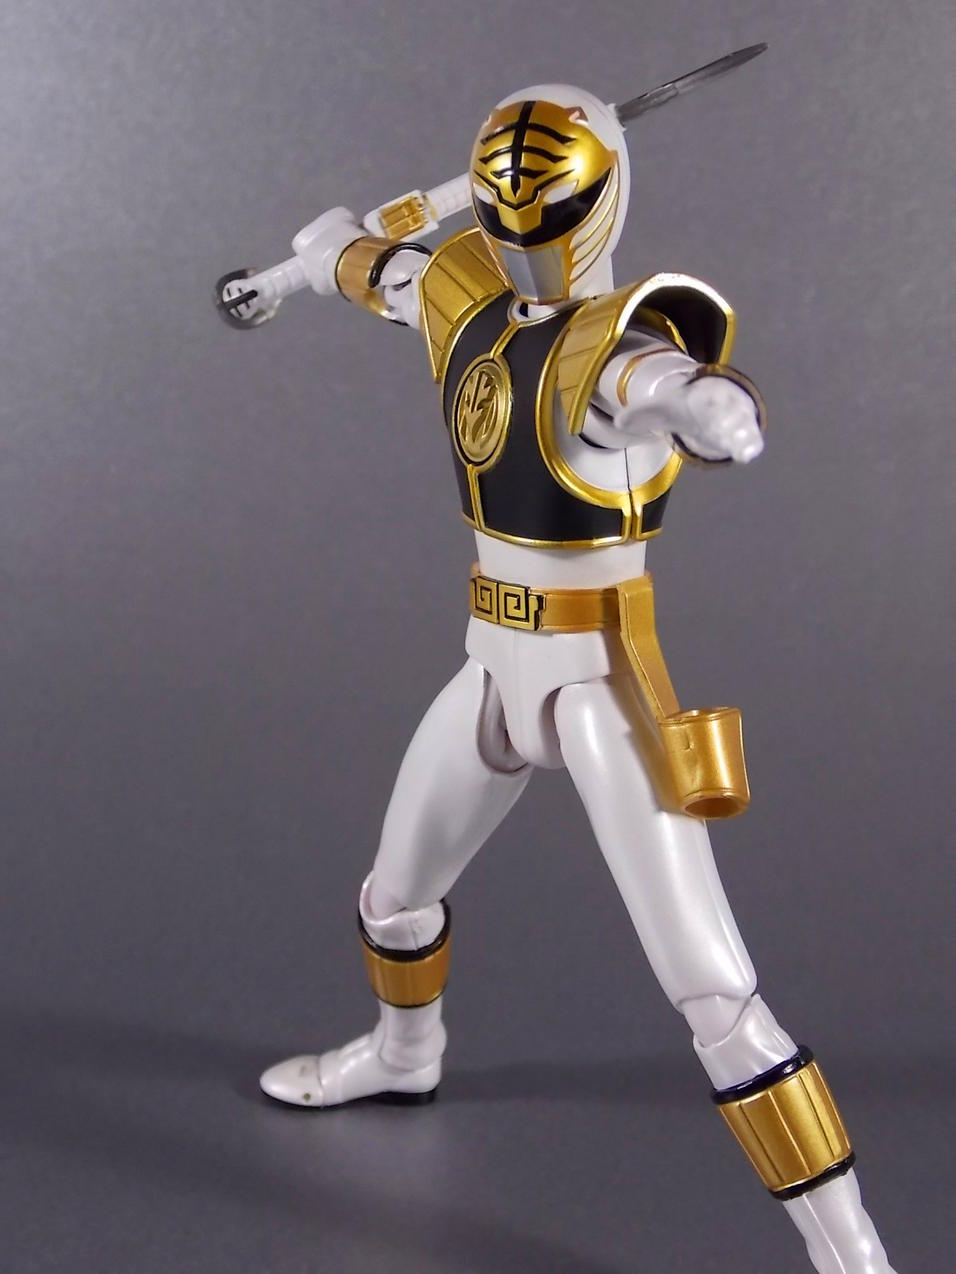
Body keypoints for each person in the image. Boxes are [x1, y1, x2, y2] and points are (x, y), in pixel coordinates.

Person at [246, 85, 897, 1274]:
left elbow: (656, 379)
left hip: (599, 685)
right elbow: (376, 270)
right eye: (504, 212)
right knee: (392, 899)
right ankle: (403, 1053)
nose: (523, 240)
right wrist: (317, 257)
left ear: (598, 205)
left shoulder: (611, 343)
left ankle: (850, 1250)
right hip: (492, 665)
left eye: (544, 212)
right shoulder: (459, 299)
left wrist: (705, 401)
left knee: (713, 991)